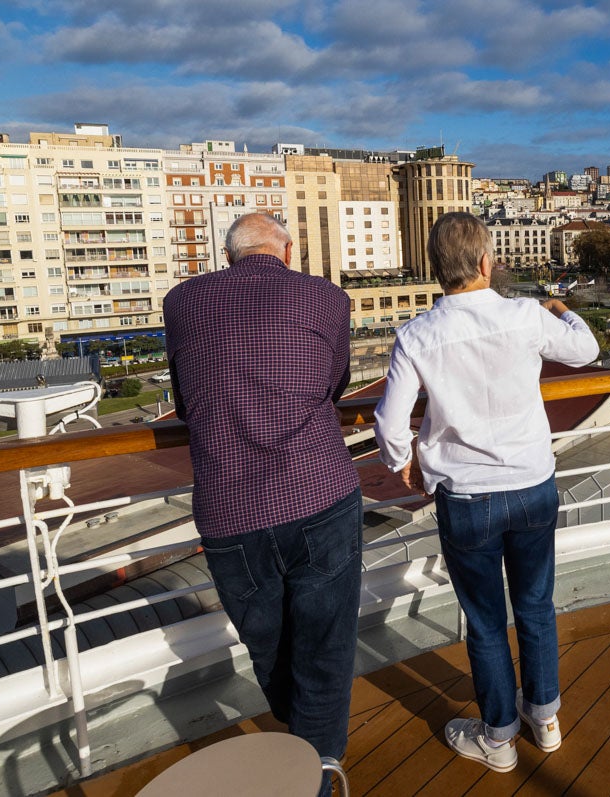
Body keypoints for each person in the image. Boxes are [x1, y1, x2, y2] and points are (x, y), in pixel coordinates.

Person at [374, 212, 599, 773]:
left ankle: (497, 737)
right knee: (536, 607)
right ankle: (544, 719)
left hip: (466, 496)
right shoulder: (524, 316)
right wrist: (558, 306)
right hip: (531, 486)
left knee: (485, 620)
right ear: (484, 263)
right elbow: (586, 351)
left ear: (436, 271)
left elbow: (389, 418)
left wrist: (404, 463)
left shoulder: (417, 335)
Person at [164, 213, 362, 792]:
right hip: (318, 490)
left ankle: (297, 753)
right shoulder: (326, 298)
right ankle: (316, 769)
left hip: (232, 508)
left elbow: (184, 399)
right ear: (288, 250)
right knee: (325, 646)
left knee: (267, 645)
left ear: (230, 256)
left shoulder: (183, 302)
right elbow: (334, 384)